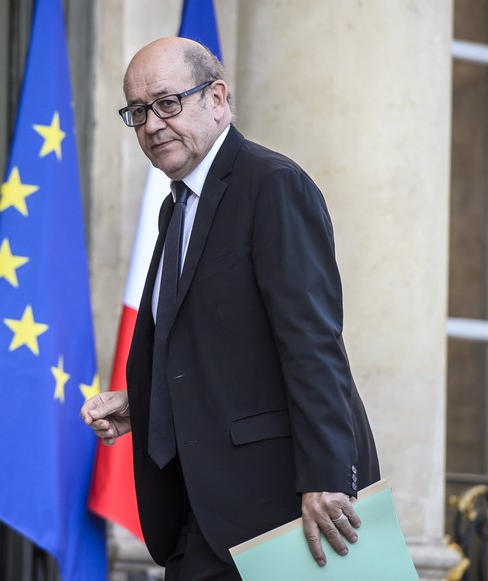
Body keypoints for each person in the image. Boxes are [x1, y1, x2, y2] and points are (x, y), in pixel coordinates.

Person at [81, 36, 380, 580]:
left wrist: (327, 478)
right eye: (139, 111)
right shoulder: (175, 210)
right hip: (202, 515)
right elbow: (222, 344)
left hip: (284, 513)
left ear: (217, 99)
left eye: (168, 103)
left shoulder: (272, 185)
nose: (152, 125)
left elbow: (312, 344)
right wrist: (145, 401)